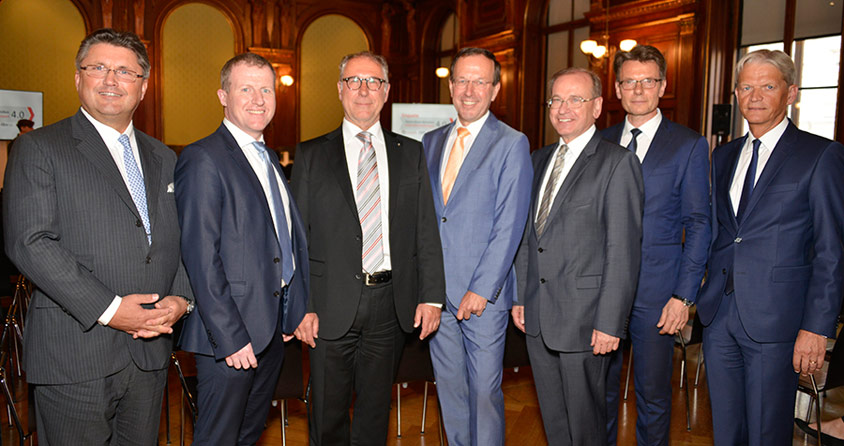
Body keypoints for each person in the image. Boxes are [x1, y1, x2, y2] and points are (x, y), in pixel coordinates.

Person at [3, 28, 193, 445]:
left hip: (149, 352)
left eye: (125, 71)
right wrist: (111, 309)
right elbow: (29, 242)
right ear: (78, 77)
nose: (111, 80)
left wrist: (181, 299)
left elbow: (174, 239)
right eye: (98, 68)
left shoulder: (164, 156)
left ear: (143, 87)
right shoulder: (39, 148)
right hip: (76, 351)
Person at [290, 51, 445, 446]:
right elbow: (297, 239)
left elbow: (425, 229)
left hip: (390, 304)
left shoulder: (411, 152)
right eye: (354, 81)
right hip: (327, 305)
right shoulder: (311, 154)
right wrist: (302, 305)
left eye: (373, 81)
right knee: (327, 414)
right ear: (340, 89)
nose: (363, 90)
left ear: (386, 91)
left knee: (375, 414)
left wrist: (431, 297)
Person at [698, 49, 844, 446]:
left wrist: (817, 327)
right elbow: (721, 233)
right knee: (726, 431)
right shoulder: (724, 155)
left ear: (790, 93)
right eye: (746, 87)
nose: (755, 96)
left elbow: (831, 251)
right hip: (720, 315)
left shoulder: (820, 155)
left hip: (778, 321)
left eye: (767, 86)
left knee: (767, 433)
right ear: (736, 94)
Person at [175, 53, 309, 445]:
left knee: (248, 436)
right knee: (218, 438)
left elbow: (281, 241)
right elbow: (200, 256)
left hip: (271, 332)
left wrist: (291, 311)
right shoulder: (203, 157)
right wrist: (231, 336)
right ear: (223, 96)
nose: (258, 99)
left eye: (266, 90)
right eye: (245, 89)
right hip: (230, 337)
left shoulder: (268, 157)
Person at [513, 67, 643, 446]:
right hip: (538, 315)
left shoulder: (617, 163)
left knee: (586, 429)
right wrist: (521, 297)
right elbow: (528, 237)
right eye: (556, 100)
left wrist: (610, 323)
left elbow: (623, 251)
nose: (563, 108)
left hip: (587, 321)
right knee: (555, 423)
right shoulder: (538, 159)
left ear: (597, 106)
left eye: (575, 99)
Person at [421, 47, 532, 446]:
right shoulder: (430, 141)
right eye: (462, 81)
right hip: (437, 296)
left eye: (480, 82)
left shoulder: (512, 143)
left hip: (483, 298)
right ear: (451, 86)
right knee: (450, 392)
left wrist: (481, 289)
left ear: (495, 89)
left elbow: (510, 225)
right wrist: (426, 287)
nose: (470, 91)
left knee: (484, 395)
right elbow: (427, 221)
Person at [602, 45, 711, 446]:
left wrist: (683, 296)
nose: (638, 89)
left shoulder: (688, 144)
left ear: (663, 86)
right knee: (600, 392)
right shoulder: (600, 141)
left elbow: (699, 224)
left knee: (652, 395)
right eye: (629, 81)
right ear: (617, 89)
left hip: (658, 293)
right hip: (602, 290)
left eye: (648, 81)